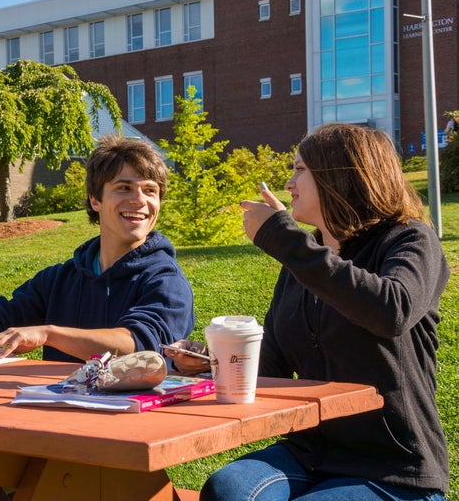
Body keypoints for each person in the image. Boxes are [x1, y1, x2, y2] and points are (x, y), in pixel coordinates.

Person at [168, 123, 449, 500]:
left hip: (394, 467)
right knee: (228, 490)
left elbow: (391, 311)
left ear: (340, 175)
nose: (289, 182)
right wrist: (209, 361)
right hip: (309, 455)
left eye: (300, 169)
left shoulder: (409, 240)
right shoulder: (301, 265)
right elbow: (271, 368)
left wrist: (287, 241)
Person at [0, 134, 196, 500]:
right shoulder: (64, 276)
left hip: (120, 442)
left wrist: (48, 334)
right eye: (124, 188)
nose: (139, 201)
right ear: (96, 199)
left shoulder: (166, 280)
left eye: (150, 190)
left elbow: (140, 347)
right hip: (48, 431)